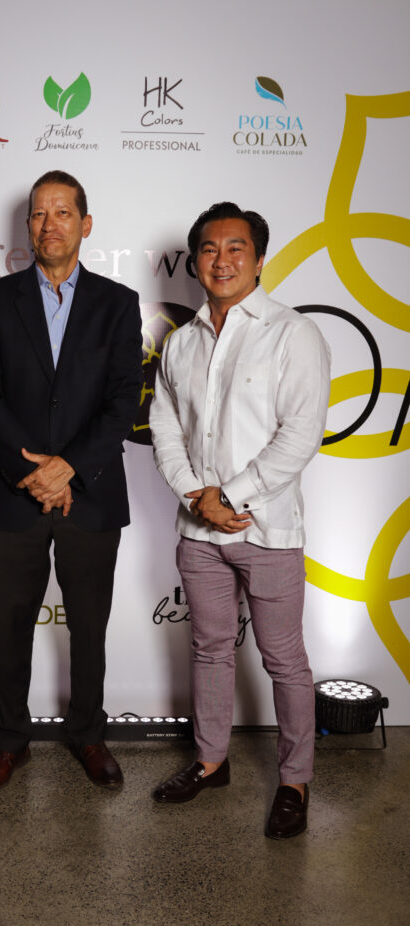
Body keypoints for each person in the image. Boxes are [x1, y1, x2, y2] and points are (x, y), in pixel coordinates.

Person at [149, 201, 330, 838]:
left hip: (268, 530)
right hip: (198, 533)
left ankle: (295, 781)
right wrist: (195, 495)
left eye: (236, 248)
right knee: (209, 649)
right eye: (209, 248)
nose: (221, 260)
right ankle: (211, 760)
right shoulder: (181, 342)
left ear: (259, 260)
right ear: (195, 260)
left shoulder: (293, 333)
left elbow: (300, 434)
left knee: (284, 660)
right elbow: (165, 429)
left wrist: (230, 495)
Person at [0, 170, 142, 791]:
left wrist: (70, 467)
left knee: (89, 626)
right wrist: (32, 472)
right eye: (39, 214)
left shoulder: (118, 303)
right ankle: (9, 740)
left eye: (63, 212)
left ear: (85, 224)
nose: (50, 224)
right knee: (10, 625)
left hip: (91, 494)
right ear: (28, 226)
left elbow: (123, 398)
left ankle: (88, 734)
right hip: (15, 494)